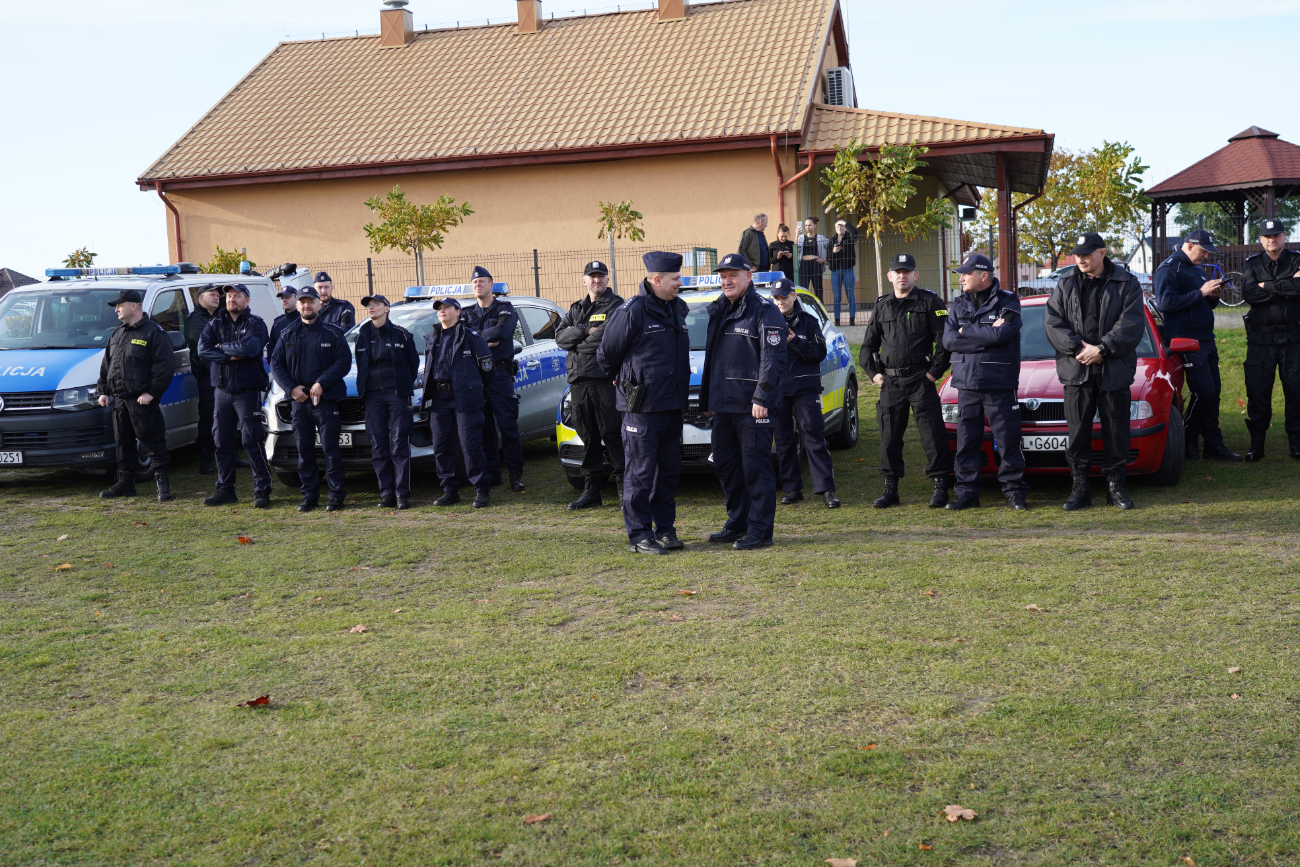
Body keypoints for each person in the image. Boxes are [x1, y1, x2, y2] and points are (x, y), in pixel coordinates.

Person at [597, 251, 692, 555]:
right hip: (641, 411)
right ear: (657, 280)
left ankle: (665, 531)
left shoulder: (678, 309)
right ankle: (639, 535)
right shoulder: (632, 311)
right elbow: (606, 355)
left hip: (671, 407)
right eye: (675, 279)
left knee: (667, 474)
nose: (680, 283)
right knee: (639, 474)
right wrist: (626, 382)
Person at [1045, 233, 1146, 510]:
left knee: (1116, 432)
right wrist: (1080, 349)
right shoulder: (1065, 284)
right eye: (1077, 255)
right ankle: (1080, 488)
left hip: (1114, 369)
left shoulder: (1127, 283)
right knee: (1078, 433)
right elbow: (1053, 322)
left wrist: (1102, 349)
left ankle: (1116, 487)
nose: (1080, 260)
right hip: (1076, 369)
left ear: (1102, 253)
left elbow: (1132, 324)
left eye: (1087, 254)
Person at [700, 252, 788, 550]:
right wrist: (709, 398)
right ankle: (738, 523)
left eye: (733, 275)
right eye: (723, 276)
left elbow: (773, 358)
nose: (727, 281)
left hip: (753, 407)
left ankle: (761, 530)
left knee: (755, 469)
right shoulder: (719, 309)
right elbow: (714, 359)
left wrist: (762, 395)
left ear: (748, 276)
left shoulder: (764, 310)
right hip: (724, 406)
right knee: (727, 466)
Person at [859, 252, 954, 509]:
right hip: (890, 383)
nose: (902, 275)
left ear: (915, 275)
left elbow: (944, 343)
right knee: (889, 437)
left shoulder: (930, 302)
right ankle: (890, 489)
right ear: (889, 276)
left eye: (907, 271)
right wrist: (872, 373)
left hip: (920, 380)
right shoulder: (882, 306)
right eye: (897, 272)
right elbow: (868, 346)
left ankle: (940, 486)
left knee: (932, 435)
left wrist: (934, 373)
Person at [941, 253, 1028, 511]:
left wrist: (966, 331)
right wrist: (987, 339)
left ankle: (1014, 493)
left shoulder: (1009, 301)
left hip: (999, 382)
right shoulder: (958, 305)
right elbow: (948, 341)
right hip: (966, 383)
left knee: (1008, 440)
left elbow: (1004, 333)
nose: (962, 278)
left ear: (984, 275)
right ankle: (967, 494)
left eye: (966, 273)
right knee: (966, 440)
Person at [1153, 228, 1241, 461]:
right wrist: (1201, 292)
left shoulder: (1195, 267)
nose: (1206, 257)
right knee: (1205, 392)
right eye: (1203, 251)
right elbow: (1165, 304)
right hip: (1187, 341)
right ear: (1189, 245)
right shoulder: (1169, 268)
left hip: (1206, 339)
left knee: (1214, 393)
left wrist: (1211, 297)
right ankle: (1188, 438)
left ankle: (1213, 444)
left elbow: (1199, 304)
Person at [269, 286, 352, 512]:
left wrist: (322, 383)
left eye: (311, 301)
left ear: (319, 305)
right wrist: (291, 388)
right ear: (298, 305)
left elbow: (343, 362)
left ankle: (335, 495)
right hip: (299, 402)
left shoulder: (333, 333)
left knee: (330, 450)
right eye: (303, 302)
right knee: (304, 451)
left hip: (326, 401)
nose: (307, 306)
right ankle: (309, 496)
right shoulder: (287, 334)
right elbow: (276, 364)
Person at [196, 283, 274, 509]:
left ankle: (262, 490)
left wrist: (221, 348)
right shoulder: (214, 323)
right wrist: (230, 354)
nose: (231, 299)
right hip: (221, 392)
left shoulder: (256, 324)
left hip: (247, 392)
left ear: (247, 301)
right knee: (221, 442)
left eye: (237, 296)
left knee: (252, 440)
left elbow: (249, 349)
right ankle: (225, 489)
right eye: (229, 296)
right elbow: (203, 351)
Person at [555, 260, 624, 509]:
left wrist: (578, 339)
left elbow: (607, 339)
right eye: (592, 276)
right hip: (578, 383)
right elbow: (560, 338)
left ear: (607, 279)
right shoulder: (576, 308)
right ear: (584, 280)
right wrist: (586, 331)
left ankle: (625, 490)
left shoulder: (617, 306)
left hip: (605, 381)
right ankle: (592, 491)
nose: (597, 280)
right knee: (588, 437)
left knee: (613, 435)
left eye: (601, 276)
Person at [95, 289, 177, 502]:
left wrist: (151, 392)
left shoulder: (153, 332)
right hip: (120, 400)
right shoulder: (117, 333)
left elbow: (165, 367)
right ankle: (125, 484)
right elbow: (107, 365)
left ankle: (163, 487)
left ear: (133, 306)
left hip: (142, 399)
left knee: (152, 442)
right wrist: (104, 391)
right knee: (123, 443)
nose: (116, 310)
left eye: (119, 306)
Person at [769, 278, 839, 508]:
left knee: (813, 436)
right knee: (783, 439)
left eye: (784, 297)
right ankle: (792, 489)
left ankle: (827, 489)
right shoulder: (767, 321)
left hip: (805, 388)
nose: (780, 302)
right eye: (776, 298)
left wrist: (795, 341)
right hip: (778, 389)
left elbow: (818, 354)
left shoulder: (808, 322)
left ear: (793, 296)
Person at [421, 297, 496, 508]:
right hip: (439, 399)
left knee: (470, 445)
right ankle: (449, 490)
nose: (442, 311)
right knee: (442, 446)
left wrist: (471, 388)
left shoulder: (471, 337)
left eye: (447, 308)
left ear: (458, 312)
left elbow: (488, 371)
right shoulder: (432, 337)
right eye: (440, 308)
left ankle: (481, 490)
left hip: (465, 398)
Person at [460, 266, 526, 492]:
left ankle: (516, 476)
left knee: (508, 427)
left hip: (499, 375)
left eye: (482, 281)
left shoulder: (505, 309)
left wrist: (474, 340)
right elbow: (461, 339)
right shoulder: (466, 313)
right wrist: (483, 341)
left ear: (491, 284)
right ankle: (493, 474)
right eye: (475, 282)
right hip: (476, 377)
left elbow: (502, 333)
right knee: (484, 427)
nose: (478, 284)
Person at [1240, 217, 1300, 461]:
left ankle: (1296, 442)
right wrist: (1286, 286)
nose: (1272, 240)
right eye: (1267, 236)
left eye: (1276, 235)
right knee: (1258, 392)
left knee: (1296, 391)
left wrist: (1267, 286)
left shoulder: (1297, 259)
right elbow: (1249, 293)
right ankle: (1257, 444)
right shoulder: (1251, 264)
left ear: (1284, 236)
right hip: (1260, 341)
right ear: (1261, 239)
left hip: (1294, 340)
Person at [355, 294, 421, 510]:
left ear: (387, 308)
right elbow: (361, 365)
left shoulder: (402, 335)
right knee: (379, 445)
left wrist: (401, 386)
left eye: (375, 304)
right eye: (368, 305)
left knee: (399, 443)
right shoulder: (362, 335)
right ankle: (387, 495)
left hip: (397, 395)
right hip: (373, 396)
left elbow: (413, 364)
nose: (371, 308)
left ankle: (402, 494)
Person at [184, 283, 221, 474]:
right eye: (212, 294)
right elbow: (206, 345)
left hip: (224, 372)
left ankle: (229, 454)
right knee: (208, 415)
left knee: (228, 416)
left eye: (217, 295)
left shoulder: (221, 315)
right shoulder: (195, 319)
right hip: (207, 374)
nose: (216, 297)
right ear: (200, 298)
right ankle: (206, 459)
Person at [828, 219, 858, 325]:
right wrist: (833, 252)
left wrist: (845, 223)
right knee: (837, 298)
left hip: (848, 271)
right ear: (835, 229)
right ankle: (837, 321)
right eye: (838, 227)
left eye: (841, 226)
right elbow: (828, 259)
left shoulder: (849, 238)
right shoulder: (832, 241)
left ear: (845, 228)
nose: (840, 228)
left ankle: (852, 320)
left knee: (850, 296)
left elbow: (855, 232)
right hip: (836, 272)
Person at [797, 217, 829, 302]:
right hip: (803, 265)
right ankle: (804, 309)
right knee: (803, 289)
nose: (807, 227)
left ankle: (820, 310)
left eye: (810, 225)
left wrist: (825, 259)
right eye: (806, 225)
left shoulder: (820, 238)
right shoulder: (800, 238)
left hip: (816, 264)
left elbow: (831, 246)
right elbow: (795, 249)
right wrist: (796, 235)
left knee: (818, 289)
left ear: (815, 226)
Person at [266, 285, 299, 363]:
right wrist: (272, 362)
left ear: (296, 298)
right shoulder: (278, 322)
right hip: (281, 368)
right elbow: (271, 345)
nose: (284, 300)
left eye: (287, 297)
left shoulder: (303, 320)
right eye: (282, 297)